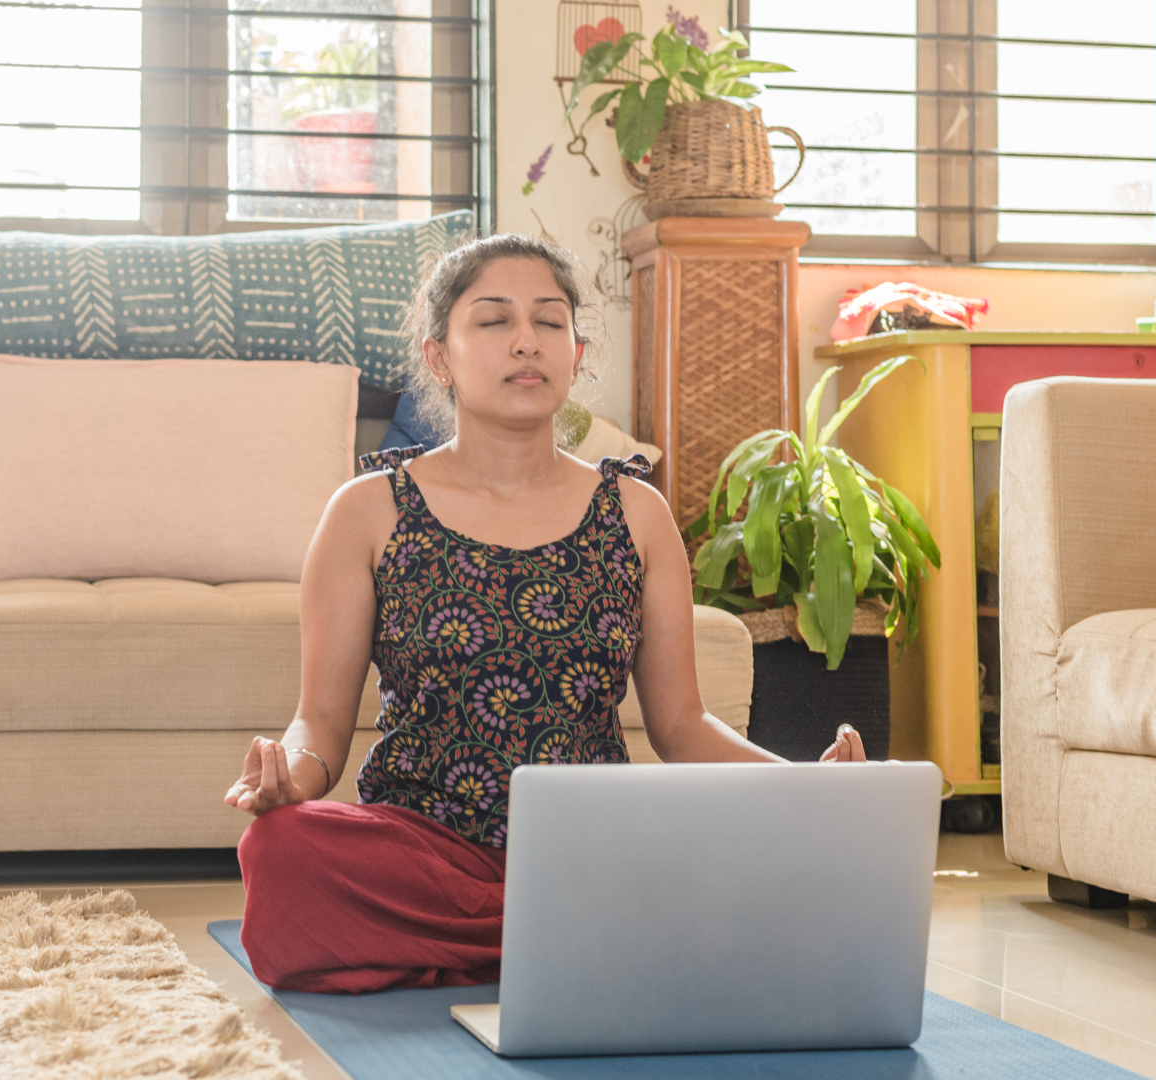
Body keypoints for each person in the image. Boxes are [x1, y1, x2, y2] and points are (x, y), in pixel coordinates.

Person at [226, 233, 868, 995]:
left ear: (577, 353)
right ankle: (582, 941)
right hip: (423, 848)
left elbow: (682, 726)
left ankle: (532, 939)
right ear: (440, 357)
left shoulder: (636, 512)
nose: (526, 341)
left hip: (596, 847)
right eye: (494, 321)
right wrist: (289, 783)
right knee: (284, 851)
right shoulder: (368, 511)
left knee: (749, 843)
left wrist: (804, 789)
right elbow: (321, 724)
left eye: (550, 322)